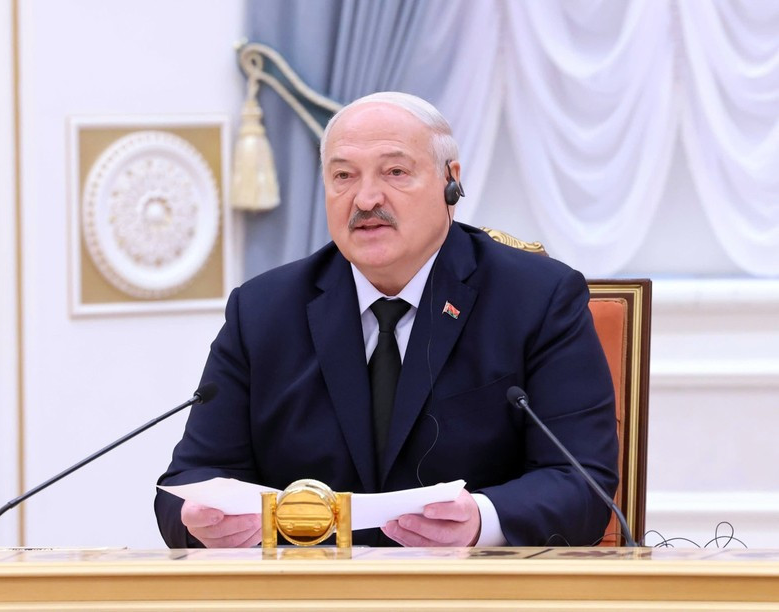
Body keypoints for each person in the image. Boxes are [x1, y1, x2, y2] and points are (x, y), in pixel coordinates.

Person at [155, 92, 619, 549]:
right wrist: (200, 521)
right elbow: (188, 482)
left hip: (474, 593)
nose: (366, 198)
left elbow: (581, 483)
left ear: (450, 182)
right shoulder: (262, 310)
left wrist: (480, 521)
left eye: (395, 172)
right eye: (343, 176)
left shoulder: (536, 297)